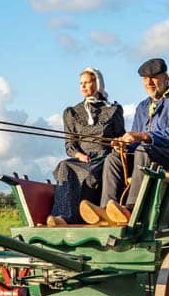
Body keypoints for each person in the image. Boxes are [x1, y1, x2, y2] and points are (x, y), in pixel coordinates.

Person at [80, 57, 169, 225]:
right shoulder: (142, 106)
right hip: (149, 154)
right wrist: (124, 144)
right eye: (146, 79)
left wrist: (145, 137)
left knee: (142, 150)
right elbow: (135, 141)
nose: (149, 83)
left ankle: (131, 209)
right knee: (113, 158)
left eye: (154, 78)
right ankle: (106, 209)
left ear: (166, 78)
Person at [45, 67, 125, 226]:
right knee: (64, 166)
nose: (83, 86)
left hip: (105, 158)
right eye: (81, 83)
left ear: (98, 83)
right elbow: (69, 144)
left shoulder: (113, 110)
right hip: (83, 158)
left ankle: (94, 213)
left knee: (93, 172)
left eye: (87, 82)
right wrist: (79, 155)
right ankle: (62, 217)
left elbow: (120, 137)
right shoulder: (72, 112)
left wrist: (118, 144)